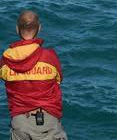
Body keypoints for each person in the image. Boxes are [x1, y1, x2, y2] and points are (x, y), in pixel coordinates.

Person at [1, 10, 68, 140]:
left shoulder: (6, 60)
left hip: (21, 123)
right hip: (49, 121)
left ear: (17, 29)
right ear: (39, 28)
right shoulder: (49, 57)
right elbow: (58, 80)